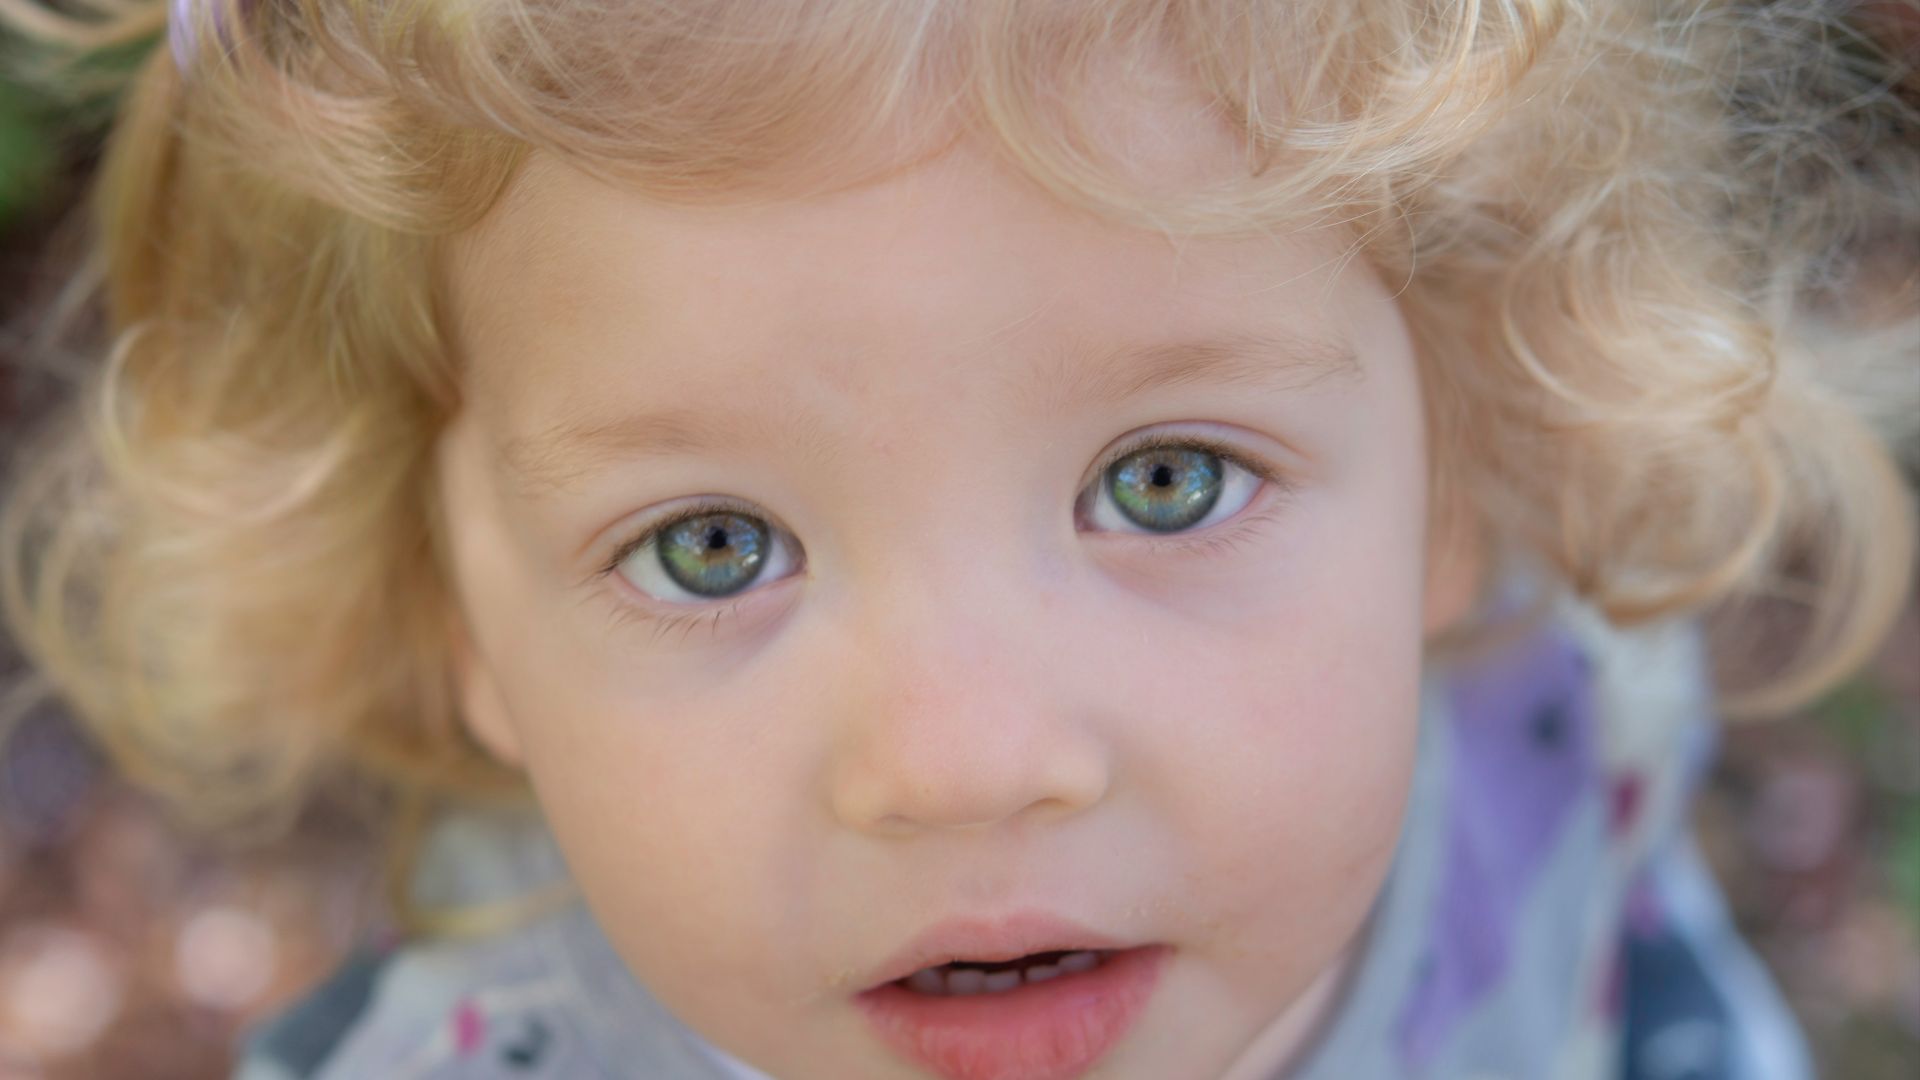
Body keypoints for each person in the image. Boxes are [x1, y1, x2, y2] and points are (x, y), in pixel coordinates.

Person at [1, 1, 1914, 1077]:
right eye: (710, 545)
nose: (963, 762)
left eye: (1168, 481)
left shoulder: (1545, 732)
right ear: (456, 616)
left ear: (1458, 485)